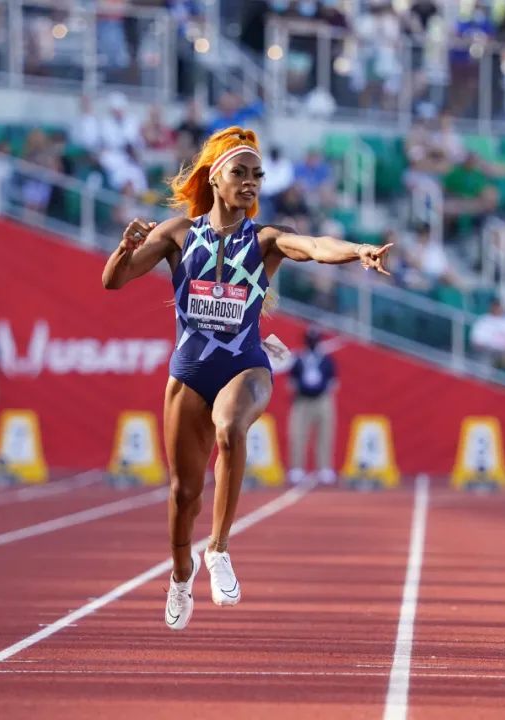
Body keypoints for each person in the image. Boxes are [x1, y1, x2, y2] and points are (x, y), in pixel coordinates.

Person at [101, 126, 392, 631]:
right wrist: (123, 251)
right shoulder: (176, 235)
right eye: (241, 173)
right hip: (189, 371)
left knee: (231, 428)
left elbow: (316, 245)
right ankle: (179, 573)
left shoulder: (264, 240)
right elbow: (113, 282)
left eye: (258, 175)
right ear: (215, 178)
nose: (252, 183)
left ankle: (218, 549)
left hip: (245, 362)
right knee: (182, 495)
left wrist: (357, 250)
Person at [287, 326, 338, 486]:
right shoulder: (298, 358)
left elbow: (333, 381)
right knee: (298, 434)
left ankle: (324, 469)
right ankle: (296, 468)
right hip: (302, 401)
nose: (312, 343)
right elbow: (291, 381)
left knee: (325, 434)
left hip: (322, 400)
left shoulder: (326, 360)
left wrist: (322, 390)